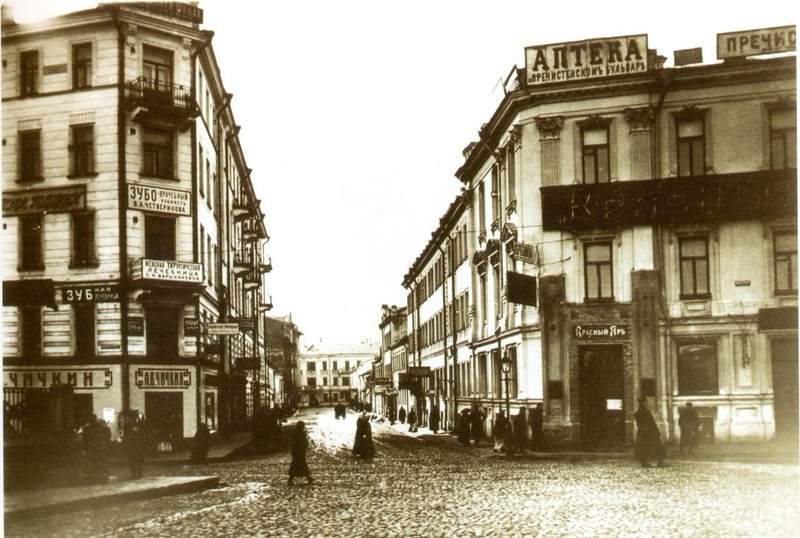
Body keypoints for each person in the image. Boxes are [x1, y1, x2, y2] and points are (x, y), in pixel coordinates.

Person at [635, 397, 668, 468]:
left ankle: (647, 463)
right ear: (642, 403)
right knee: (656, 446)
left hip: (646, 432)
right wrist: (654, 431)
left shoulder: (639, 412)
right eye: (645, 402)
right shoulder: (644, 412)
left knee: (645, 448)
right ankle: (659, 462)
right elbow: (649, 423)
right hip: (649, 433)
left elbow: (642, 424)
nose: (646, 403)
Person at [82, 414, 110, 483]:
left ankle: (95, 476)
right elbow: (108, 435)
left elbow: (85, 439)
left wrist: (85, 449)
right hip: (100, 447)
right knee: (100, 462)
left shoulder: (88, 428)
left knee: (93, 462)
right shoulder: (101, 427)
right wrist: (105, 442)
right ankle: (102, 476)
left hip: (93, 447)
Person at [288, 421, 313, 485]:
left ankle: (308, 478)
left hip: (297, 451)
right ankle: (308, 478)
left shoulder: (295, 433)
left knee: (297, 465)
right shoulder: (301, 433)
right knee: (300, 465)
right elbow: (302, 442)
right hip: (299, 451)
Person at [123, 413, 146, 479]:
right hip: (133, 446)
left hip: (136, 446)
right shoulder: (128, 425)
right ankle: (135, 473)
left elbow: (137, 435)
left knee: (136, 460)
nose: (125, 419)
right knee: (133, 460)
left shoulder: (134, 425)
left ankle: (137, 474)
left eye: (127, 418)